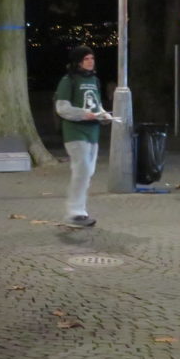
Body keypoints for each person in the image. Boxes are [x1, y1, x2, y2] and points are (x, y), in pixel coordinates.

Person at [54, 45, 112, 228]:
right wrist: (82, 114)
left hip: (92, 132)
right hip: (75, 132)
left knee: (88, 172)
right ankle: (75, 213)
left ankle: (80, 210)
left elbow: (96, 104)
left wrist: (103, 115)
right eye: (86, 59)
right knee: (83, 170)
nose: (90, 62)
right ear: (78, 61)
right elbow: (62, 107)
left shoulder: (94, 80)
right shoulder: (68, 80)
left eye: (92, 58)